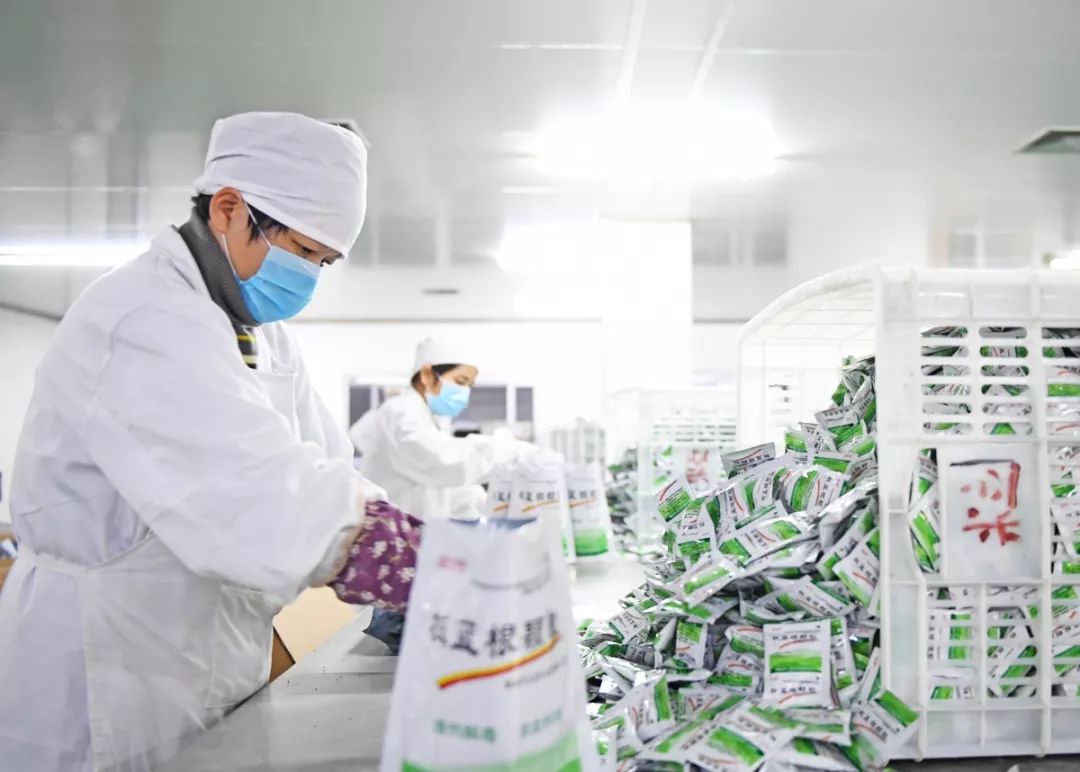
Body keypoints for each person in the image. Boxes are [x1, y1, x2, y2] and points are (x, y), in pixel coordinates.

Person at [0, 113, 392, 771]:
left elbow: (323, 464)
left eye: (324, 263)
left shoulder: (262, 334)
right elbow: (253, 490)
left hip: (203, 653)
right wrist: (396, 555)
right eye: (304, 251)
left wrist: (388, 528)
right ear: (229, 209)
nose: (310, 278)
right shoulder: (140, 313)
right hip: (103, 661)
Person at [361, 338, 529, 521]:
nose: (465, 392)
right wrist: (507, 451)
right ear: (427, 374)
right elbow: (439, 461)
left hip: (415, 530)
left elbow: (442, 489)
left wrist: (480, 502)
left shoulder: (427, 419)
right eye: (460, 381)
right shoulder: (400, 411)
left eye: (469, 385)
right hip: (390, 531)